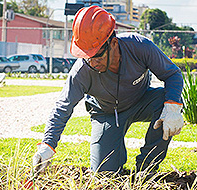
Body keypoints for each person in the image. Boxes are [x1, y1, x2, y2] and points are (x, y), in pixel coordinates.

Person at [33, 5, 184, 174]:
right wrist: (47, 145)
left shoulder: (140, 47)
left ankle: (146, 170)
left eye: (97, 56)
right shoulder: (82, 71)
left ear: (113, 43)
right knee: (104, 174)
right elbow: (63, 107)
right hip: (106, 113)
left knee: (168, 100)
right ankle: (113, 163)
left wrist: (172, 107)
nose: (92, 63)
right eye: (86, 57)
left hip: (142, 102)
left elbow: (173, 75)